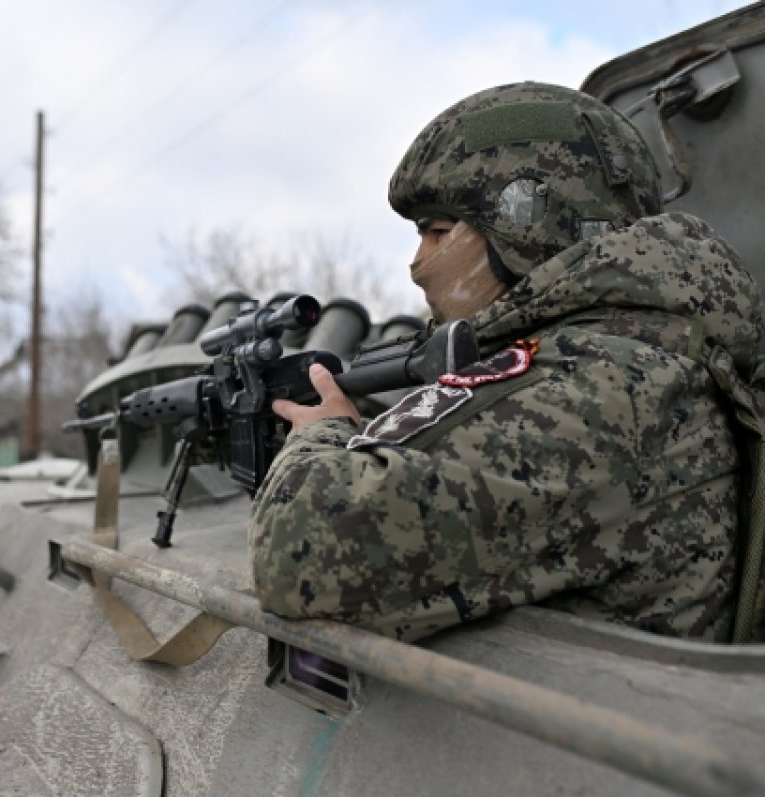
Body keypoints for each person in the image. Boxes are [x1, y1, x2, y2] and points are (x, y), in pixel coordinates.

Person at [248, 82, 764, 643]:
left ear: (530, 227)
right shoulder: (627, 356)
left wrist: (321, 432)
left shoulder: (606, 386)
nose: (418, 261)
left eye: (438, 231)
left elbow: (302, 551)